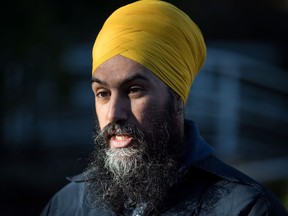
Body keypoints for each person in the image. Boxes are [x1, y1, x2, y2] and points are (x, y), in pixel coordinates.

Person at [41, 0, 288, 215]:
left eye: (134, 90)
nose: (114, 113)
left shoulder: (246, 208)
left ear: (177, 98)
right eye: (103, 94)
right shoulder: (68, 205)